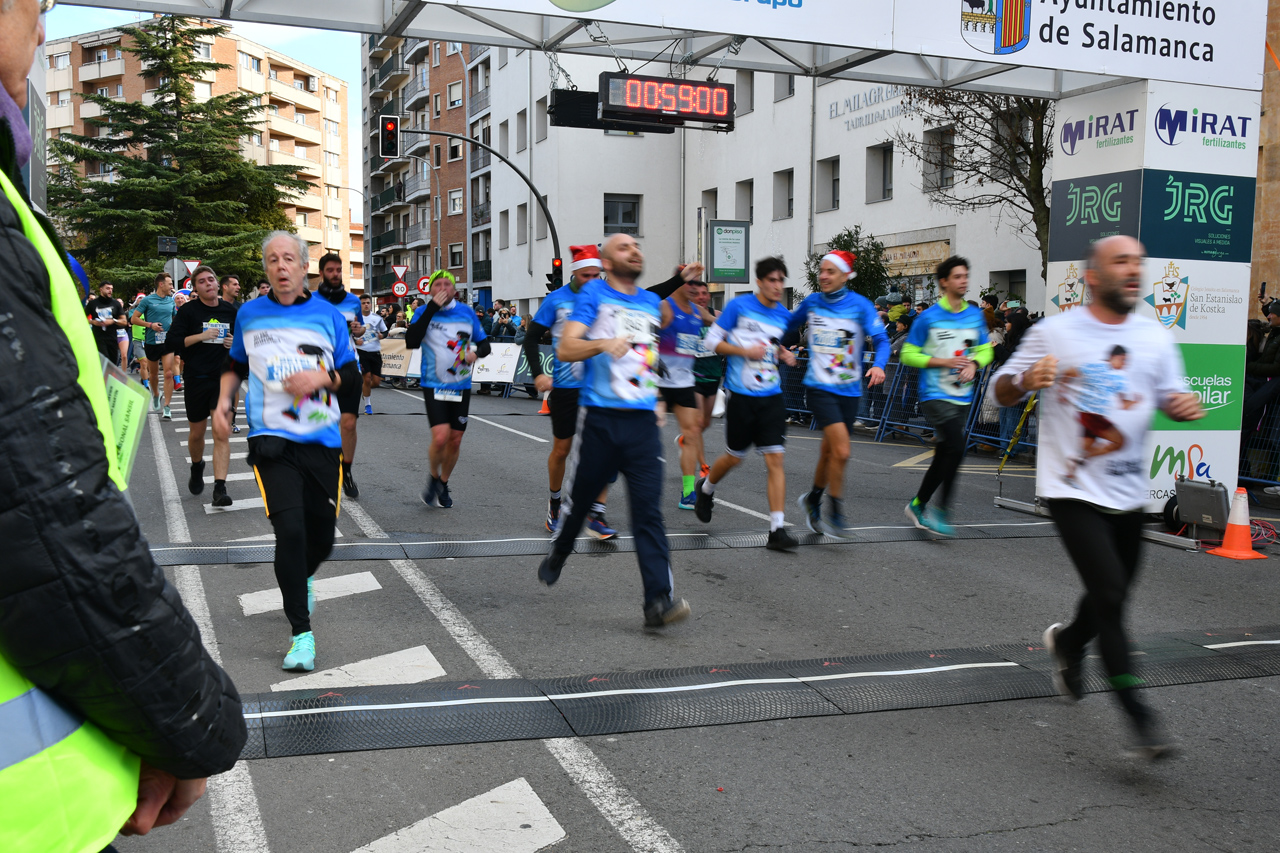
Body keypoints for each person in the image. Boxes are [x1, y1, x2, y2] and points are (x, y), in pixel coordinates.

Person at [0, 5, 247, 847]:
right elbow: (47, 521)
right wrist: (189, 722)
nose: (42, 26)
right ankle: (206, 470)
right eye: (36, 3)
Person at [994, 235, 1202, 759]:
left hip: (1128, 492)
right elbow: (1001, 388)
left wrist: (1179, 405)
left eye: (1138, 262)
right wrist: (1026, 379)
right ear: (1093, 276)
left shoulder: (1154, 338)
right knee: (1110, 593)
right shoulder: (1055, 332)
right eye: (1121, 261)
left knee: (1111, 595)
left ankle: (1068, 643)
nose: (1133, 270)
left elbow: (1166, 396)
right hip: (1071, 489)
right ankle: (1140, 717)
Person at [215, 231, 359, 672]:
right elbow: (236, 364)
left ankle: (304, 574)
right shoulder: (249, 314)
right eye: (273, 260)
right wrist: (223, 402)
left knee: (321, 538)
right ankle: (301, 635)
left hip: (321, 440)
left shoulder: (328, 316)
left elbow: (352, 375)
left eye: (288, 259)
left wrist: (322, 379)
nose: (280, 266)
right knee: (290, 532)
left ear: (302, 267)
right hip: (271, 441)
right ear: (266, 268)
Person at [537, 233, 692, 629]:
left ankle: (657, 601)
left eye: (636, 246)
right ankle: (561, 549)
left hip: (642, 425)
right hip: (601, 419)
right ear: (606, 263)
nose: (634, 250)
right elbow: (566, 348)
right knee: (580, 503)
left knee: (648, 513)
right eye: (624, 247)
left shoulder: (650, 303)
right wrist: (603, 343)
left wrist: (659, 398)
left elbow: (648, 356)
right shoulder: (594, 295)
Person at [693, 256, 800, 551]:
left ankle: (776, 530)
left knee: (775, 459)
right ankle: (707, 488)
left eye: (781, 280)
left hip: (771, 396)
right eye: (772, 280)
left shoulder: (782, 314)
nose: (777, 286)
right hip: (741, 395)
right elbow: (711, 342)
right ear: (760, 282)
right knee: (734, 457)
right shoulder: (739, 307)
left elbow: (772, 342)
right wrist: (744, 351)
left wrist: (783, 353)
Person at [784, 250, 891, 536]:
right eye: (822, 270)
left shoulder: (860, 305)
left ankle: (813, 499)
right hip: (819, 387)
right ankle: (836, 509)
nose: (823, 276)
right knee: (842, 451)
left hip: (849, 391)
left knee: (829, 452)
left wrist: (879, 365)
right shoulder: (812, 302)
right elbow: (786, 326)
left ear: (845, 275)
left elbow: (882, 340)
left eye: (830, 271)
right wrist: (776, 345)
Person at [526, 244, 618, 538]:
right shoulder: (556, 299)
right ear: (574, 273)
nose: (592, 280)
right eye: (586, 275)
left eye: (596, 275)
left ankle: (596, 514)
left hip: (600, 386)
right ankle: (555, 503)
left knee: (603, 450)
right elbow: (530, 338)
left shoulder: (607, 296)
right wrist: (538, 374)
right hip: (566, 388)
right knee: (562, 450)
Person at [901, 256, 994, 537]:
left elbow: (985, 349)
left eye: (965, 276)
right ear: (944, 282)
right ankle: (942, 510)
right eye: (957, 276)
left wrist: (974, 364)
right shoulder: (928, 317)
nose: (963, 281)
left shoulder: (974, 315)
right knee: (956, 445)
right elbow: (908, 354)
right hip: (935, 394)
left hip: (962, 395)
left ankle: (918, 504)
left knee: (946, 453)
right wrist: (943, 362)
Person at [406, 270, 491, 509]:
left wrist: (476, 353)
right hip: (433, 383)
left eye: (447, 284)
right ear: (430, 289)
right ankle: (433, 476)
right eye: (438, 284)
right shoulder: (423, 312)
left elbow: (485, 344)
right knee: (441, 436)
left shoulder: (466, 312)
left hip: (460, 385)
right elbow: (411, 341)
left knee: (455, 439)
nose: (443, 288)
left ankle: (443, 482)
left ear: (455, 290)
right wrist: (432, 308)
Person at [169, 265, 237, 507]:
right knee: (197, 433)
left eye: (211, 279)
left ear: (218, 284)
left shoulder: (231, 311)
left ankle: (220, 488)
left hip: (222, 378)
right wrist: (201, 336)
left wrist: (234, 342)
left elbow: (243, 342)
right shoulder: (189, 311)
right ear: (196, 288)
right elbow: (173, 341)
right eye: (202, 281)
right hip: (196, 378)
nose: (208, 284)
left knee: (221, 432)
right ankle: (197, 466)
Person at [658, 272, 716, 510]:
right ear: (678, 283)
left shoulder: (697, 312)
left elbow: (720, 324)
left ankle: (688, 493)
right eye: (689, 283)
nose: (694, 288)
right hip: (658, 384)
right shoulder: (664, 307)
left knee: (692, 434)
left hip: (684, 384)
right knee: (641, 435)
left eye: (697, 284)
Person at [316, 252, 366, 499]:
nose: (335, 274)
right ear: (321, 273)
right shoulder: (309, 300)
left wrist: (358, 329)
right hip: (318, 368)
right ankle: (321, 470)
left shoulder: (353, 301)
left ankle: (346, 471)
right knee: (320, 422)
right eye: (330, 270)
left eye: (338, 270)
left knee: (348, 423)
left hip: (348, 367)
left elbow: (360, 330)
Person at [131, 271, 178, 419]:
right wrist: (150, 325)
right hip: (152, 341)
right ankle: (156, 393)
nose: (172, 287)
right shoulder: (148, 300)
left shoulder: (171, 301)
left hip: (167, 341)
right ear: (161, 284)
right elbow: (134, 319)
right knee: (153, 375)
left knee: (168, 373)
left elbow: (175, 318)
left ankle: (167, 406)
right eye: (170, 284)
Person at [689, 280, 722, 475]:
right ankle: (703, 465)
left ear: (708, 296)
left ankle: (687, 439)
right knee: (698, 421)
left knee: (706, 423)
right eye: (697, 293)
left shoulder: (717, 316)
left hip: (713, 373)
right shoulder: (687, 316)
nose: (701, 297)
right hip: (693, 376)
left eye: (704, 293)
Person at [355, 293, 388, 414]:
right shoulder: (355, 318)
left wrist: (382, 335)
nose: (366, 305)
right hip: (362, 352)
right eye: (363, 303)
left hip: (375, 352)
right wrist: (355, 341)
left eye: (368, 303)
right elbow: (347, 334)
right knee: (367, 378)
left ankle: (364, 389)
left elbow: (385, 331)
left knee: (376, 382)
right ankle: (368, 406)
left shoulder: (377, 318)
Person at [84, 280, 125, 366]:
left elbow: (124, 321)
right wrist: (92, 322)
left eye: (111, 289)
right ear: (101, 289)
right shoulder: (93, 303)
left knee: (113, 363)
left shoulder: (116, 304)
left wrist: (113, 321)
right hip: (98, 338)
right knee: (104, 361)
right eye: (107, 288)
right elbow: (81, 318)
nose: (110, 291)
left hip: (112, 338)